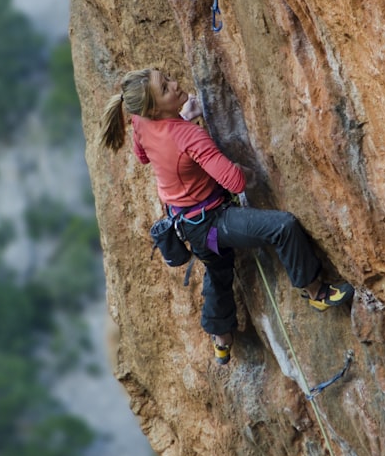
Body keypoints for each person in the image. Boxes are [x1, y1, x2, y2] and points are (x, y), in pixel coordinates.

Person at [99, 67, 353, 365]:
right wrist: (245, 167)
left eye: (166, 78)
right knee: (283, 227)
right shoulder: (189, 136)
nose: (175, 83)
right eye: (166, 88)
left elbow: (143, 155)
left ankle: (221, 339)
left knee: (218, 269)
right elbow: (236, 182)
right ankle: (316, 291)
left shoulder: (141, 121)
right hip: (212, 221)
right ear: (154, 108)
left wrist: (179, 123)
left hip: (186, 222)